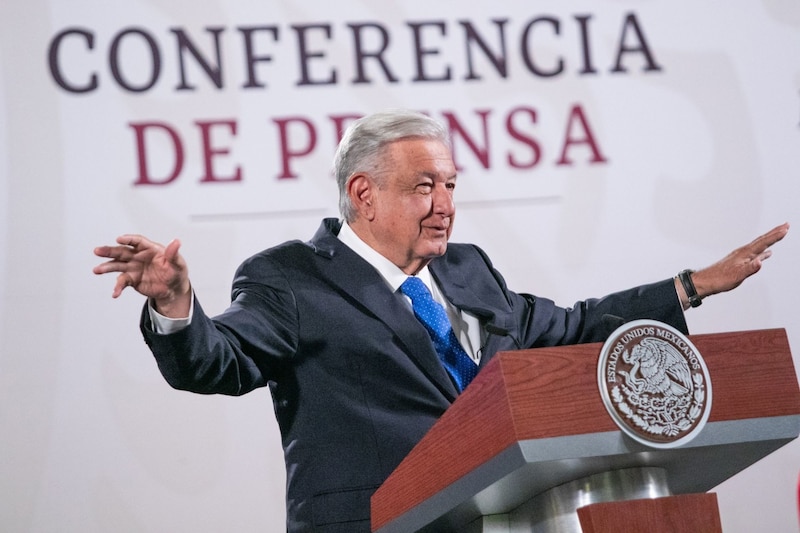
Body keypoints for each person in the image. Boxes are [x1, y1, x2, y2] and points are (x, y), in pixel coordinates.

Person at [93, 109, 788, 532]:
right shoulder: (291, 277)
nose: (446, 203)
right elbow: (221, 359)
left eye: (451, 184)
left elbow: (568, 326)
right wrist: (176, 304)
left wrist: (689, 286)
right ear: (362, 194)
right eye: (425, 185)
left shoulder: (468, 269)